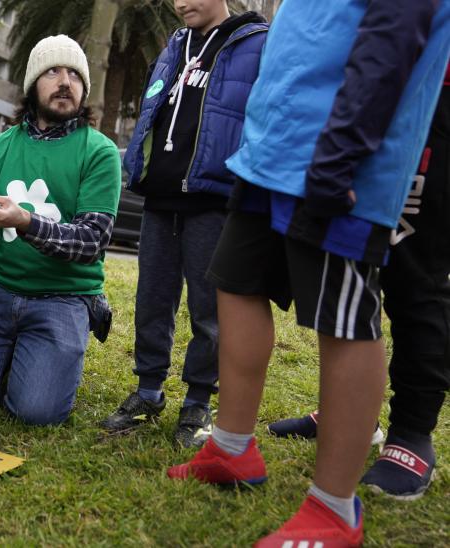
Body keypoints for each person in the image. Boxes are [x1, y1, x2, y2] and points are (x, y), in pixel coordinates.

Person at [167, 1, 450, 546]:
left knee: (342, 320)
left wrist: (342, 149)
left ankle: (333, 507)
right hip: (275, 145)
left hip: (341, 153)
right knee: (236, 282)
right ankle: (232, 447)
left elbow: (395, 35)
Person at [268, 73, 450, 501]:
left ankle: (411, 432)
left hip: (431, 93)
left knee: (415, 271)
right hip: (359, 96)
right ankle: (352, 415)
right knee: (347, 273)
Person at [101, 0, 268, 447]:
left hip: (212, 200)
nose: (180, 3)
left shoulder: (255, 44)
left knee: (209, 311)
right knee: (152, 299)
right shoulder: (175, 45)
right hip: (160, 198)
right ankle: (148, 391)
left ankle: (197, 402)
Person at [0, 35, 122, 426]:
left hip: (63, 297)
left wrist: (27, 222)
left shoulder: (100, 152)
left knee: (36, 413)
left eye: (74, 74)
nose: (65, 82)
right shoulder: (0, 146)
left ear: (84, 89)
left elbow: (90, 242)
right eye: (52, 71)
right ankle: (10, 353)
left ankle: (28, 355)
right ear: (33, 85)